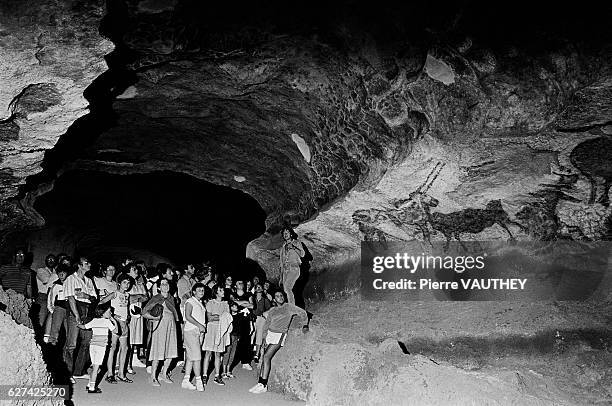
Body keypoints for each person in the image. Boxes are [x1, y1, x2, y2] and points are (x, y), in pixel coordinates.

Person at [249, 290, 308, 394]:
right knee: (264, 357)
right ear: (274, 299)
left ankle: (263, 385)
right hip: (269, 334)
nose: (280, 297)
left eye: (281, 295)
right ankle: (260, 383)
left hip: (279, 335)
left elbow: (303, 313)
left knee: (267, 356)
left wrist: (305, 325)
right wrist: (264, 338)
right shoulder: (273, 310)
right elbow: (267, 324)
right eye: (277, 296)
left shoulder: (289, 307)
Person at [64, 257, 98, 383]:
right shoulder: (70, 279)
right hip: (75, 310)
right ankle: (67, 373)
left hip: (87, 311)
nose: (89, 264)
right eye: (86, 263)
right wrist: (77, 315)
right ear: (79, 265)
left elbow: (94, 298)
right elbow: (71, 298)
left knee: (86, 341)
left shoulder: (89, 280)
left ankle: (78, 371)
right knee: (71, 344)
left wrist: (86, 295)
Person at [143, 278, 179, 387]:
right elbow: (144, 312)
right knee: (158, 351)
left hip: (171, 326)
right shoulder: (156, 298)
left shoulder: (171, 298)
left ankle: (164, 373)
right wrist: (155, 318)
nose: (165, 286)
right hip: (160, 327)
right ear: (159, 287)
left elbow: (174, 313)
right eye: (163, 284)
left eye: (167, 283)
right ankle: (153, 376)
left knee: (171, 350)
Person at [78, 303, 117, 394]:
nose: (111, 313)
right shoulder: (107, 322)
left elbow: (84, 327)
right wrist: (114, 321)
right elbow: (116, 330)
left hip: (93, 346)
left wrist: (78, 324)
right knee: (96, 368)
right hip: (101, 347)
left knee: (95, 366)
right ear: (103, 313)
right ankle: (92, 388)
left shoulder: (94, 320)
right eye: (109, 311)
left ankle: (89, 384)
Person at [106, 273, 134, 384]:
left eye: (128, 283)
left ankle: (121, 374)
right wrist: (112, 316)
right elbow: (102, 303)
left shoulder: (127, 295)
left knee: (125, 348)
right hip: (116, 324)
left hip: (124, 324)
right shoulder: (114, 294)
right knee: (113, 347)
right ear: (119, 283)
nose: (126, 285)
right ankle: (110, 374)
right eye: (124, 282)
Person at [202, 285, 232, 386]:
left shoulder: (225, 304)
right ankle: (204, 375)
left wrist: (217, 317)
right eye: (220, 290)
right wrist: (220, 317)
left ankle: (217, 376)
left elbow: (228, 318)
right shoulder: (210, 303)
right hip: (211, 329)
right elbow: (209, 318)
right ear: (216, 292)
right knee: (208, 353)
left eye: (223, 290)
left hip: (221, 330)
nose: (222, 291)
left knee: (218, 354)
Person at [182, 283, 207, 391]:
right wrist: (199, 325)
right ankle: (198, 381)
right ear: (194, 292)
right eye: (199, 290)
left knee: (190, 357)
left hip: (198, 332)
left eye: (203, 290)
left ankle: (186, 380)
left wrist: (201, 329)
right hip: (191, 331)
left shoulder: (200, 303)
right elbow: (187, 316)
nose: (202, 292)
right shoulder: (190, 301)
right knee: (197, 357)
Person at [127, 262, 148, 369]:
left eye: (136, 269)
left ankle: (134, 358)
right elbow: (128, 298)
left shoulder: (139, 283)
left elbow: (145, 297)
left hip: (139, 311)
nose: (136, 271)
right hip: (130, 313)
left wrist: (137, 297)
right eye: (133, 270)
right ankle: (127, 361)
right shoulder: (126, 283)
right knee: (130, 337)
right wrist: (138, 296)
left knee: (136, 336)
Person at [279, 226, 305, 305]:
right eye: (284, 233)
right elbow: (281, 263)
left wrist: (293, 247)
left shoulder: (296, 242)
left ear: (291, 234)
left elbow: (302, 254)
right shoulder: (283, 247)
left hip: (294, 268)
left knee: (287, 288)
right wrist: (281, 277)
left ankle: (291, 308)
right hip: (285, 271)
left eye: (287, 232)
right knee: (285, 290)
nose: (285, 234)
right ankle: (291, 305)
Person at [35, 253, 58, 340]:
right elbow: (46, 281)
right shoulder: (41, 270)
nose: (51, 261)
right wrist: (56, 276)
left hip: (53, 297)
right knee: (41, 320)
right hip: (43, 297)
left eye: (52, 259)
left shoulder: (55, 272)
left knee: (51, 322)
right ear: (45, 261)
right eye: (49, 259)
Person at [232, 280, 254, 370]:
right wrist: (245, 303)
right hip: (235, 320)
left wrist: (239, 302)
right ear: (235, 285)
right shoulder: (233, 294)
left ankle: (245, 361)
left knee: (246, 339)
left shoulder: (249, 294)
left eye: (242, 282)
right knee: (234, 339)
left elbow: (252, 305)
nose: (241, 284)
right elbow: (232, 304)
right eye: (239, 283)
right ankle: (231, 360)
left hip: (245, 320)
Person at [47, 264, 70, 346]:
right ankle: (51, 346)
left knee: (69, 331)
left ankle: (67, 348)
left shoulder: (71, 284)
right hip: (59, 308)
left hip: (69, 309)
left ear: (67, 273)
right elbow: (51, 298)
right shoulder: (56, 285)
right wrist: (53, 310)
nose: (61, 275)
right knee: (55, 330)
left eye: (63, 273)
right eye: (59, 273)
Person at [251, 283, 272, 363]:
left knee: (259, 335)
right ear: (255, 289)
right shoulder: (252, 298)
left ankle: (256, 354)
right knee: (251, 335)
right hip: (252, 318)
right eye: (257, 287)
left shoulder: (265, 300)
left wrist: (264, 315)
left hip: (260, 318)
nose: (259, 288)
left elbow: (270, 310)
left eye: (260, 287)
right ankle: (249, 353)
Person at [222, 301, 241, 379]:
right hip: (229, 336)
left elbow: (240, 327)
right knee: (227, 353)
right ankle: (224, 372)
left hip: (236, 336)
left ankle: (228, 371)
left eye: (236, 306)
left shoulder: (239, 316)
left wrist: (239, 336)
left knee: (232, 354)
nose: (235, 308)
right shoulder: (228, 316)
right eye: (233, 306)